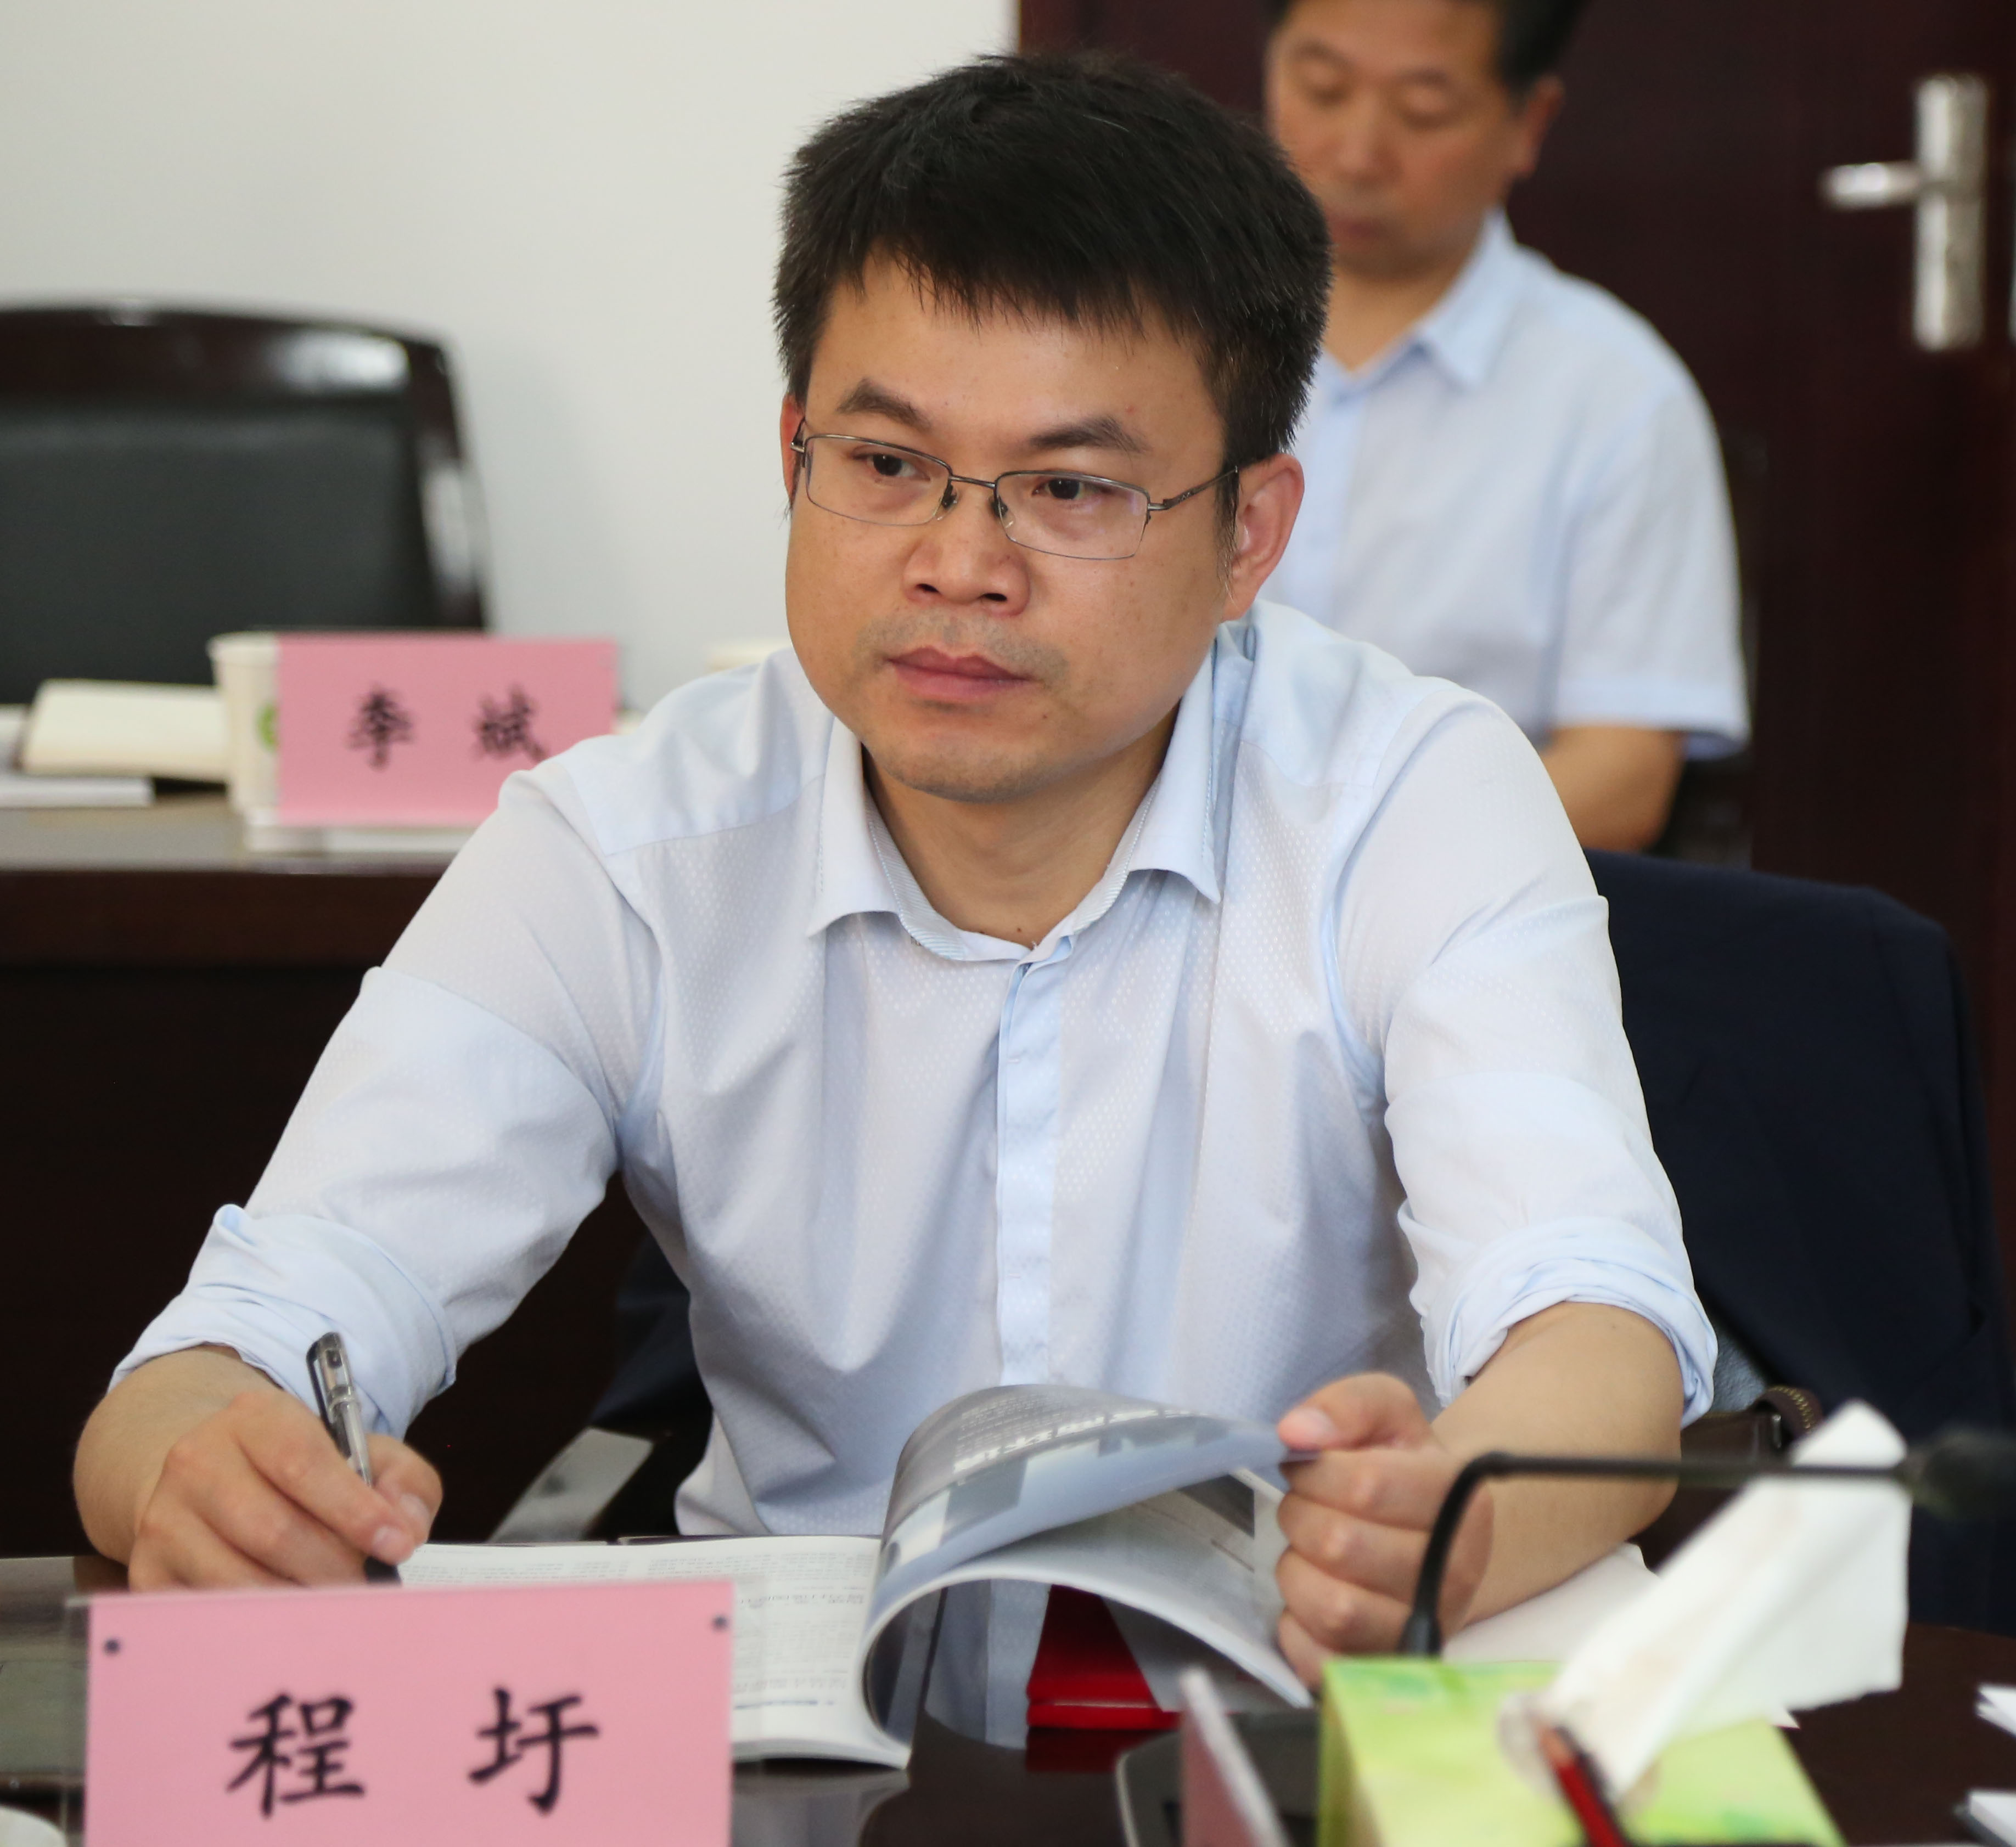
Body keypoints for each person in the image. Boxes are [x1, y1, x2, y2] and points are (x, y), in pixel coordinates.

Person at [74, 53, 1710, 1716]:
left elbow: (1596, 1326)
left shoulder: (1411, 798)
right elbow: (238, 1341)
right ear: (794, 450)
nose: (958, 562)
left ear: (1249, 535)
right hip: (794, 1749)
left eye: (1071, 489)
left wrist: (1453, 1515)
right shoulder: (625, 850)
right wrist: (204, 1470)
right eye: (884, 462)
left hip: (1273, 1732)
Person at [1261, 0, 1748, 851]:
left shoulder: (1617, 395)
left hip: (1449, 891)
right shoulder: (1154, 337)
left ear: (1530, 123)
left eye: (1424, 110)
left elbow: (1624, 776)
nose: (1358, 151)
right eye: (1322, 88)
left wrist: (1337, 859)